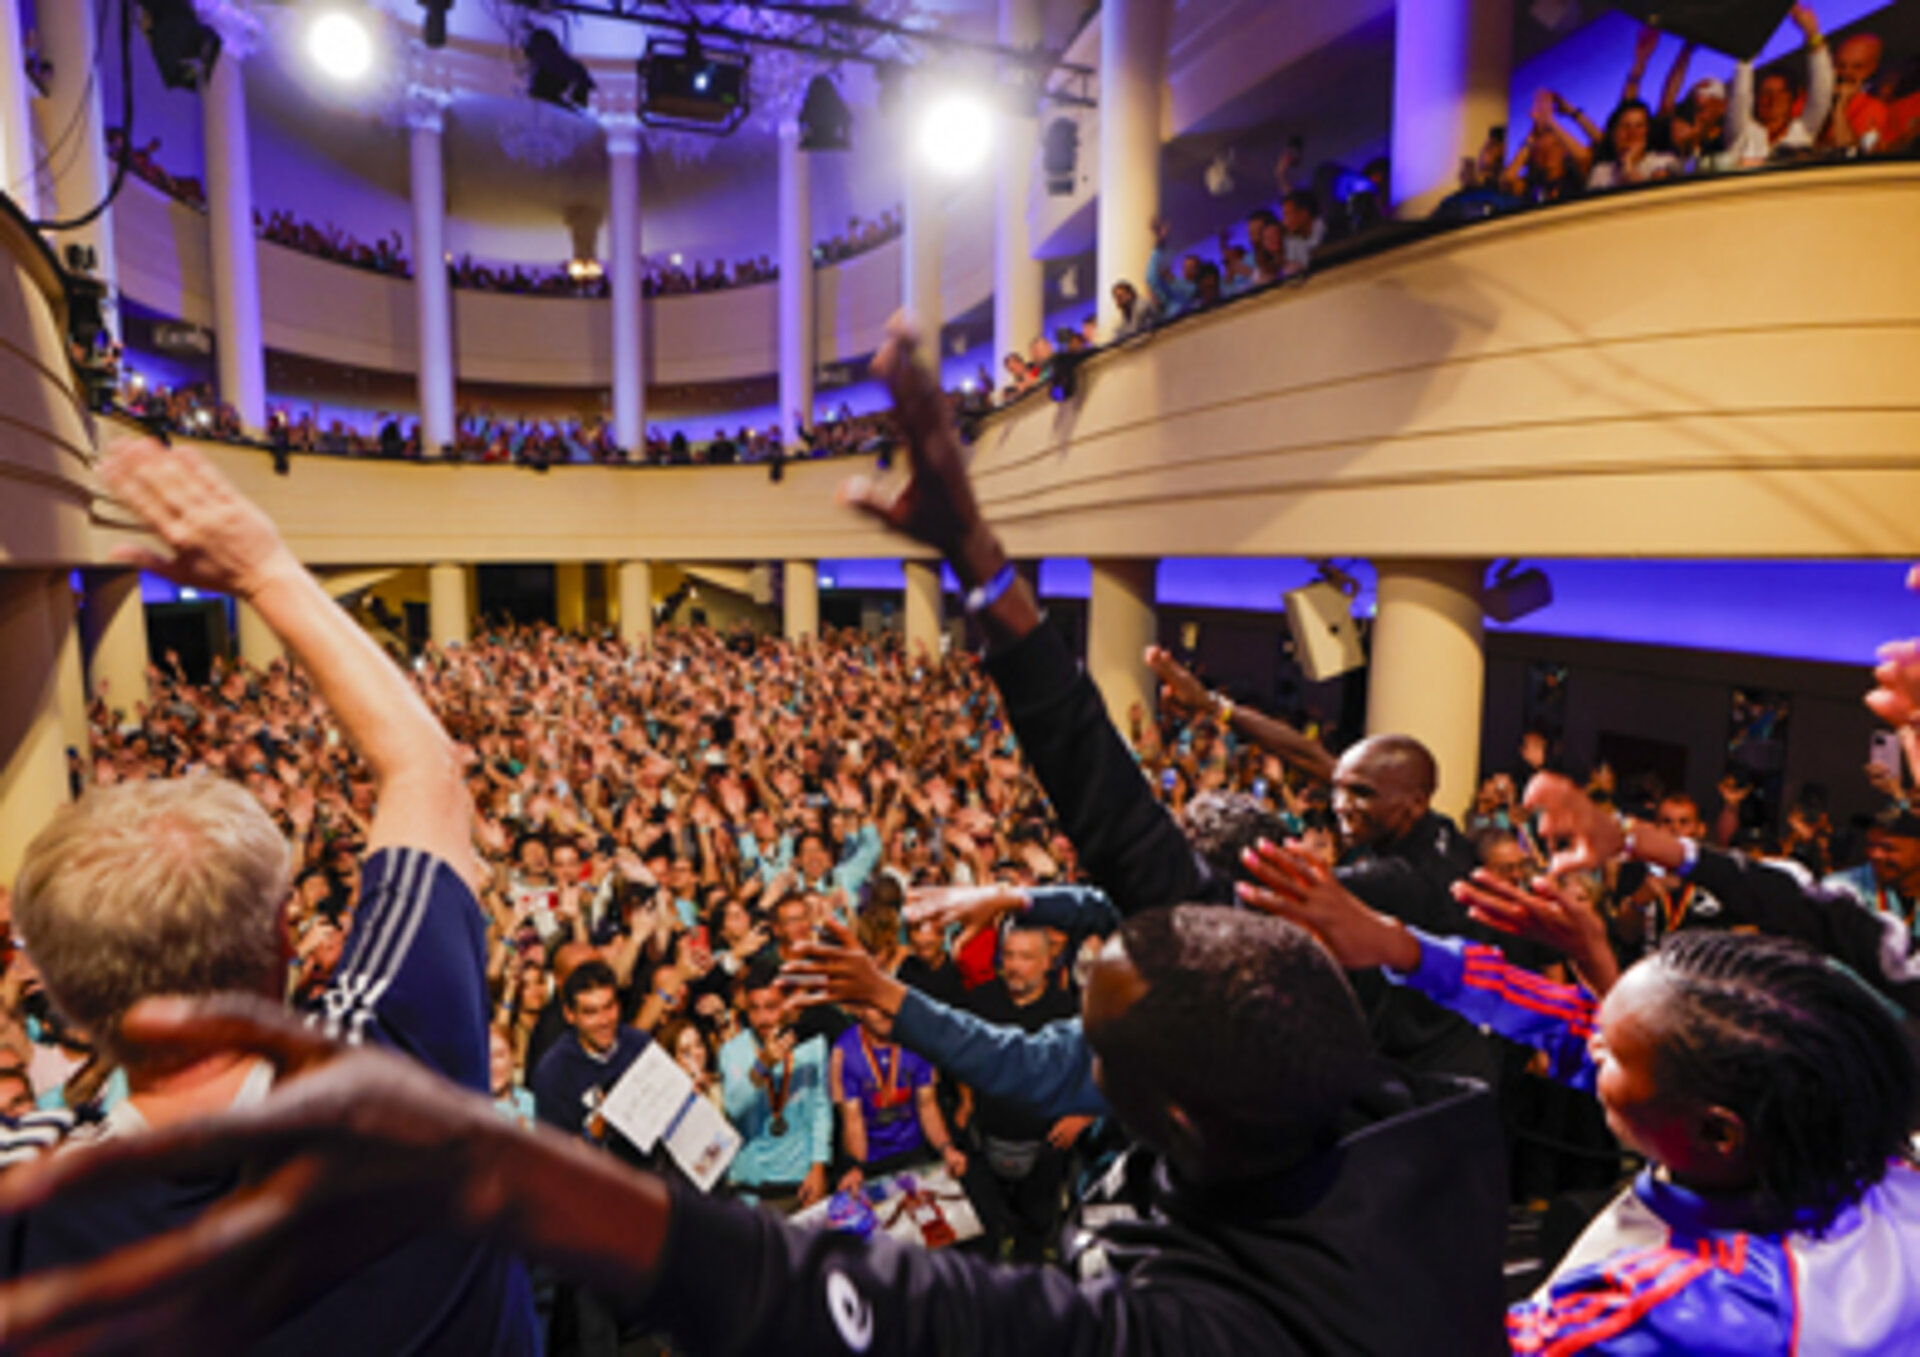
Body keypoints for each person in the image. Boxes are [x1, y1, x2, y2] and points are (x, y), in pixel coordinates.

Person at [1, 438, 540, 1353]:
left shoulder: (32, 1212)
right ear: (285, 938)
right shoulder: (397, 1068)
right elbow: (423, 767)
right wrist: (262, 568)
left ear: (62, 998)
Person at [1237, 835, 1920, 1353]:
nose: (1589, 1042)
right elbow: (1594, 1029)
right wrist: (1396, 944)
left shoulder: (1672, 1305)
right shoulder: (1867, 1159)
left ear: (1718, 1132)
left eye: (1613, 1053)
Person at [959, 923, 1082, 1262]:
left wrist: (1082, 1116)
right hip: (986, 1139)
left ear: (1047, 962)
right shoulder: (981, 1001)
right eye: (1009, 955)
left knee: (1034, 1232)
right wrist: (966, 1097)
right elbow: (957, 1053)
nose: (1014, 966)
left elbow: (1101, 1067)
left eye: (1025, 957)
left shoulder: (1068, 1011)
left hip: (1046, 1145)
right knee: (983, 1235)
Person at [718, 961, 832, 1211]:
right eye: (754, 1009)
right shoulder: (732, 1052)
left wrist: (819, 1165)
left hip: (800, 1183)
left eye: (771, 1007)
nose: (762, 1019)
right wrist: (762, 1065)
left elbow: (821, 1110)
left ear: (787, 1005)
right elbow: (734, 1107)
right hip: (752, 1188)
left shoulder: (813, 1047)